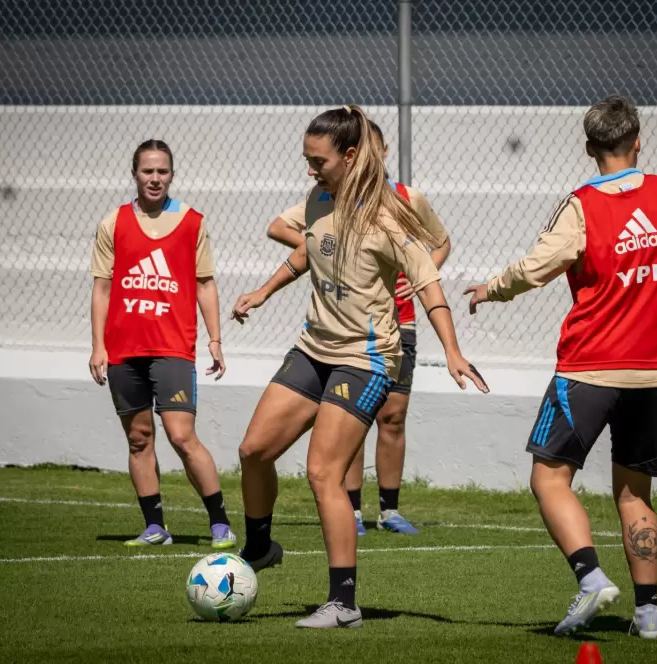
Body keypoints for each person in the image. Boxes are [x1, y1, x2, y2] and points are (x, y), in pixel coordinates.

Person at [463, 77, 657, 638]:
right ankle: (647, 615)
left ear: (590, 147)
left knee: (549, 478)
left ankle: (592, 579)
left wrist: (490, 289)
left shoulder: (581, 206)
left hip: (589, 368)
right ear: (638, 141)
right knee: (633, 492)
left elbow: (535, 268)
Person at [231, 105, 488, 629]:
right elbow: (308, 252)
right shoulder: (318, 197)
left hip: (366, 361)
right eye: (306, 159)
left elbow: (429, 285)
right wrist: (263, 290)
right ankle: (259, 548)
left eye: (318, 160)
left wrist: (453, 351)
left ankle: (344, 603)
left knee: (323, 472)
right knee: (253, 451)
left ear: (350, 156)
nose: (309, 169)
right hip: (313, 349)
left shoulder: (390, 216)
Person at [266, 120, 452, 536]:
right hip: (346, 333)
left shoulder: (406, 200)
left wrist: (414, 274)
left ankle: (389, 510)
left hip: (398, 322)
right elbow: (283, 228)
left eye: (377, 148)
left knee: (393, 416)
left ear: (382, 153)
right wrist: (323, 252)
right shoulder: (326, 198)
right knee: (352, 418)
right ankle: (350, 508)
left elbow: (438, 244)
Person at [88, 139, 236, 549]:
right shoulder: (112, 223)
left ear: (172, 174)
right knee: (138, 438)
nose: (155, 178)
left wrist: (216, 339)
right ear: (134, 173)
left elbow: (205, 284)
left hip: (173, 347)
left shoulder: (192, 221)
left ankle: (220, 523)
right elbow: (102, 289)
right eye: (147, 171)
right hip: (123, 350)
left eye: (162, 171)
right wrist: (98, 346)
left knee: (181, 436)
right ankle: (155, 527)